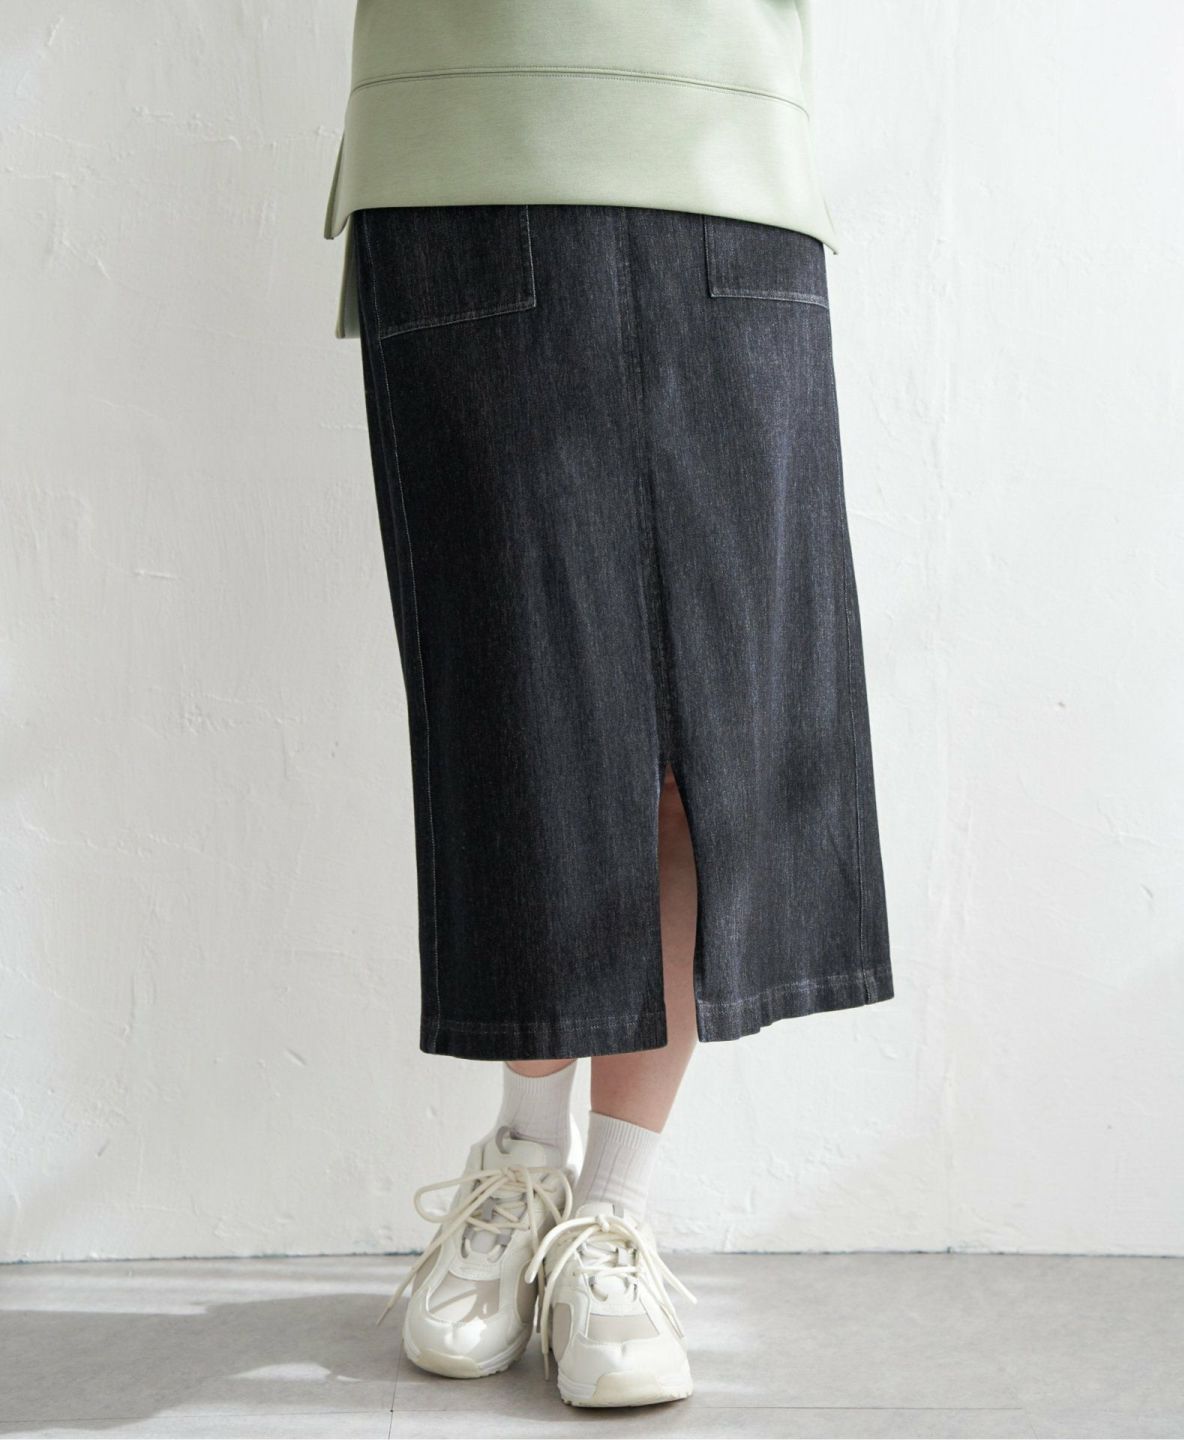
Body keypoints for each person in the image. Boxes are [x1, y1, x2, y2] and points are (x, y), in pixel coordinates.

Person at [324, 0, 893, 1409]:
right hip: (465, 135)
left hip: (721, 147)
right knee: (521, 712)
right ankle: (523, 1167)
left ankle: (612, 1216)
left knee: (717, 733)